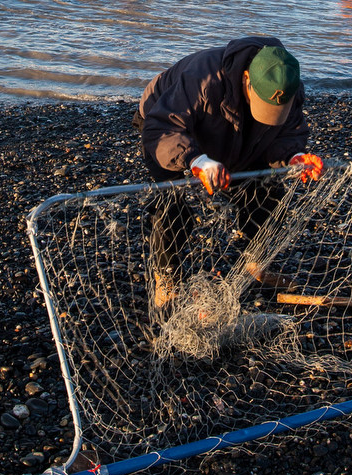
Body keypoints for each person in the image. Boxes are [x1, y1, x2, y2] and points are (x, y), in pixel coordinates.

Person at [136, 38, 324, 308]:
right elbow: (162, 127)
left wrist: (293, 156)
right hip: (164, 120)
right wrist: (197, 160)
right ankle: (167, 278)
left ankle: (254, 261)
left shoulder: (287, 84)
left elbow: (288, 131)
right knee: (172, 202)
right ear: (246, 79)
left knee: (266, 189)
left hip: (234, 128)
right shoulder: (203, 78)